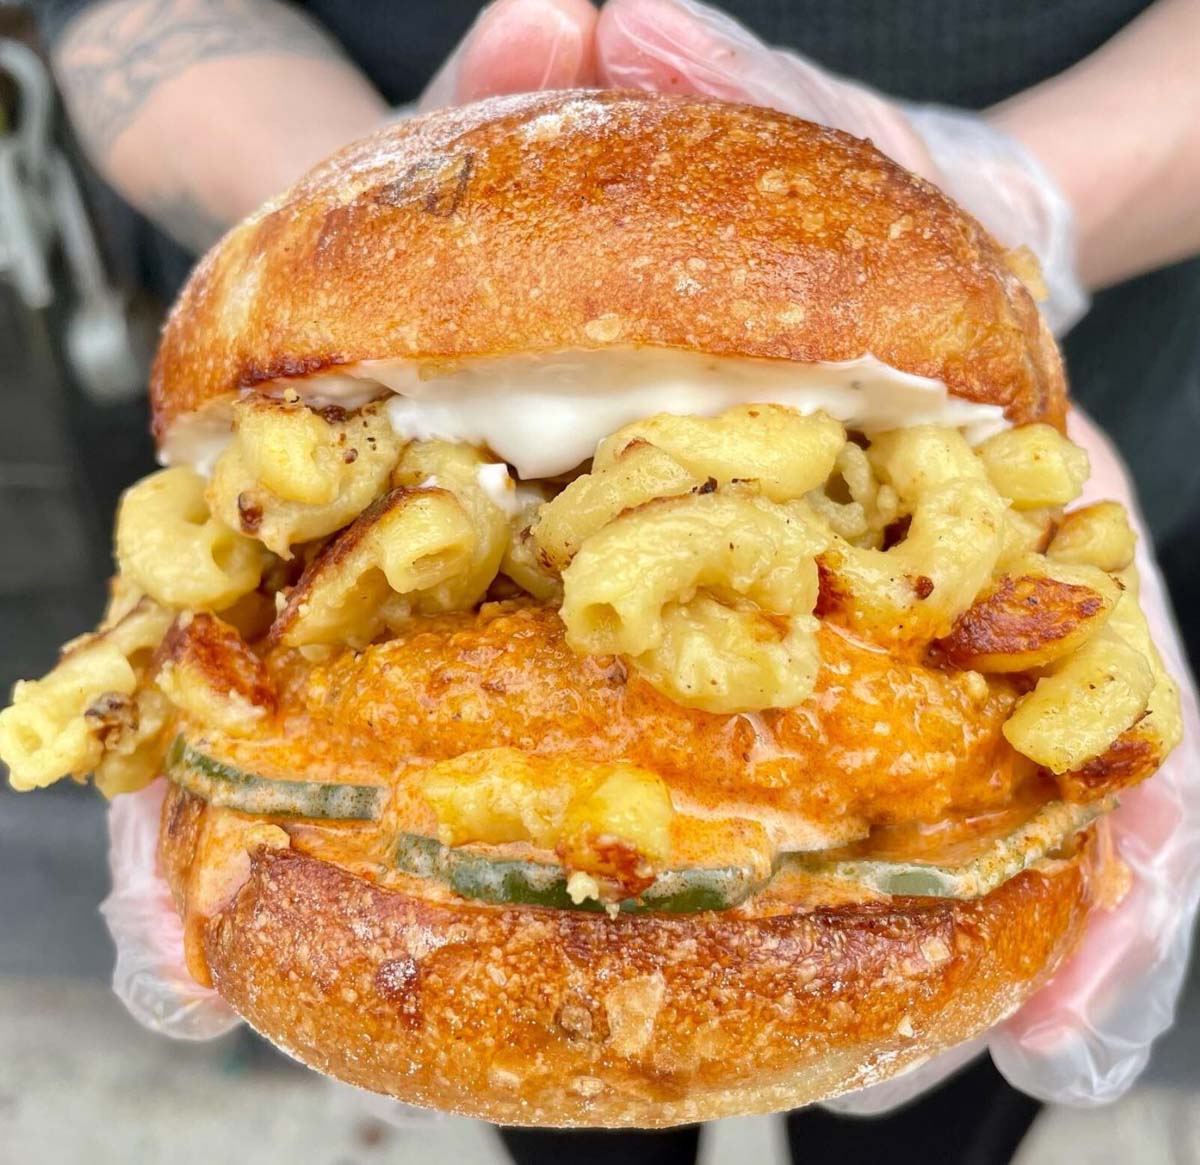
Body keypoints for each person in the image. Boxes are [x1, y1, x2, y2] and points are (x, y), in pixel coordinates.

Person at [36, 2, 1200, 1162]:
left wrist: (1033, 191)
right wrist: (370, 206)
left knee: (939, 1136)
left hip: (1060, 339)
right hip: (331, 306)